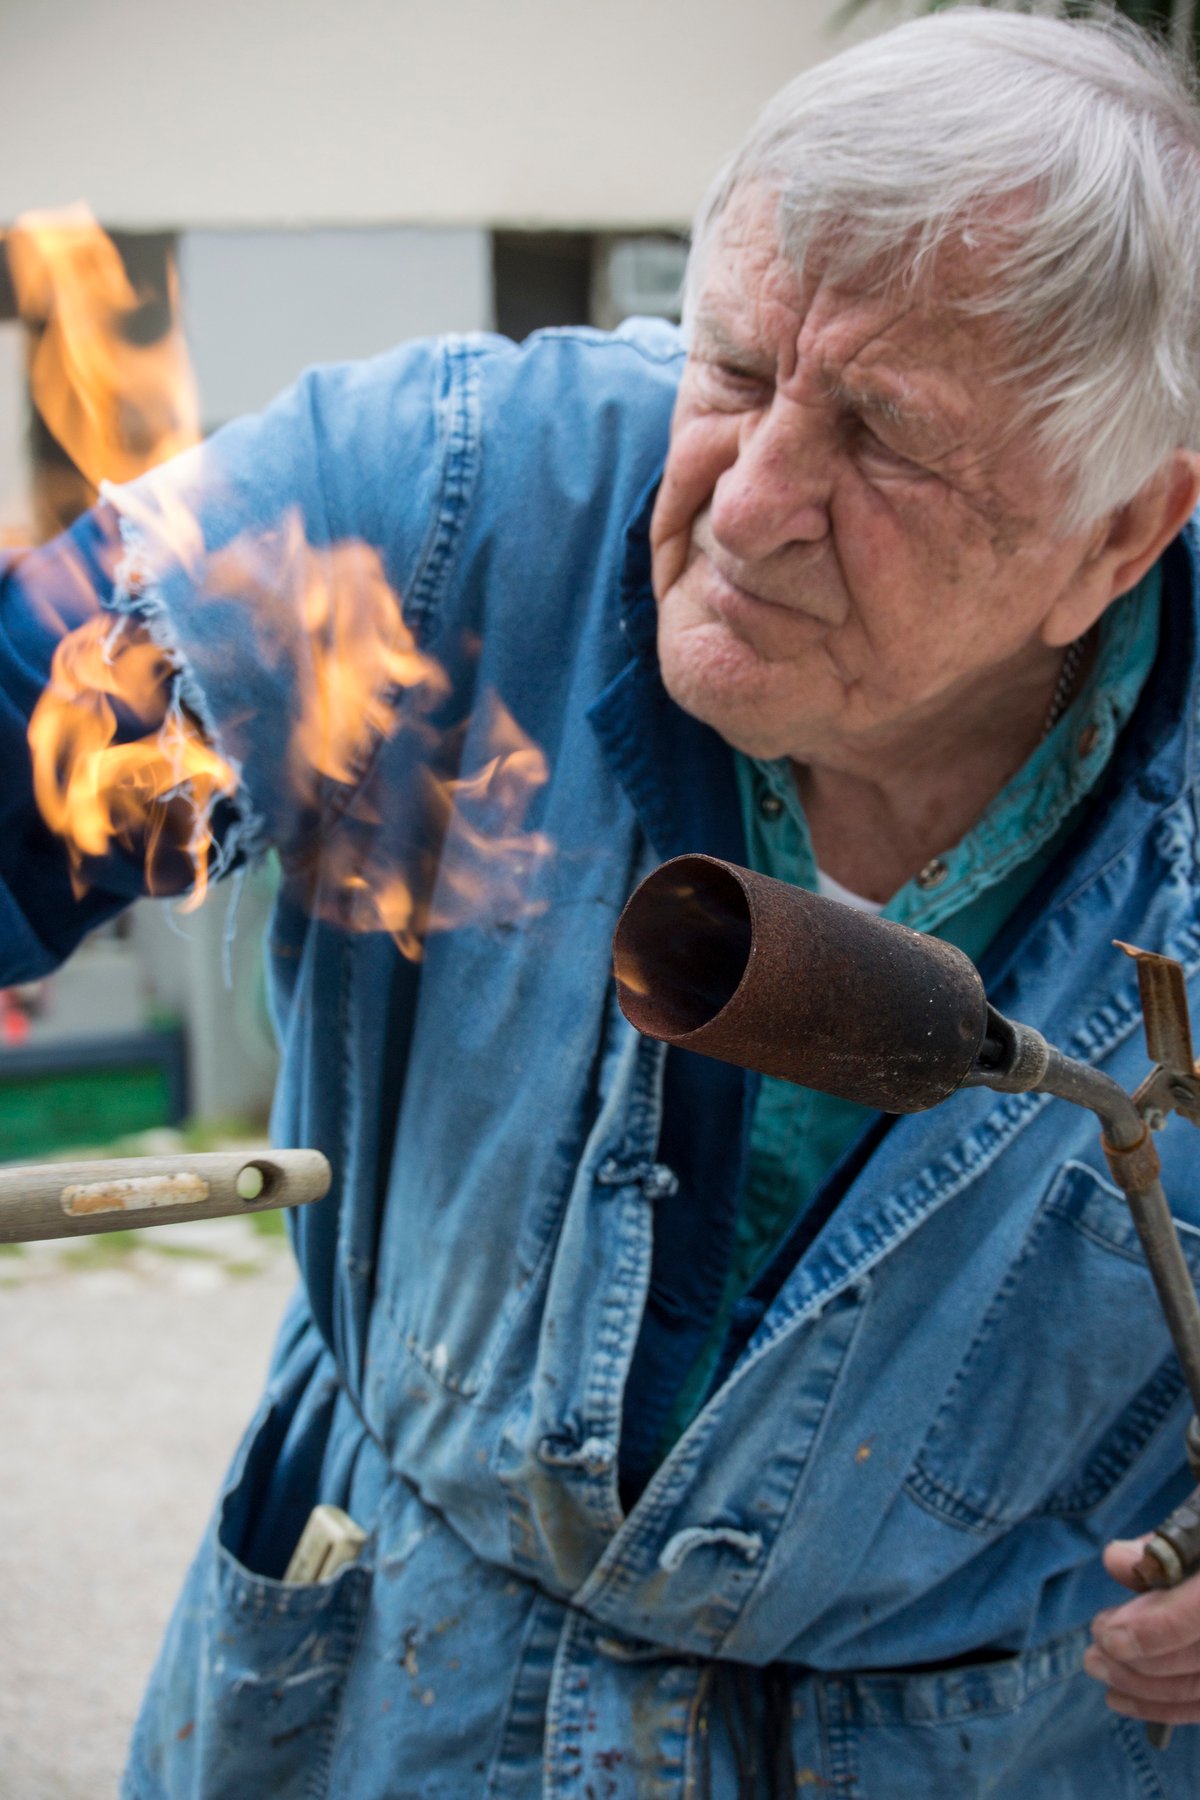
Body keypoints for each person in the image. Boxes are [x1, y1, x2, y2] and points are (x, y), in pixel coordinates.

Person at [4, 8, 1200, 1795]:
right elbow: (40, 726)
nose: (749, 501)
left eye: (885, 441)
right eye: (733, 370)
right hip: (384, 1693)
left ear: (1122, 534)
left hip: (986, 1742)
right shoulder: (448, 505)